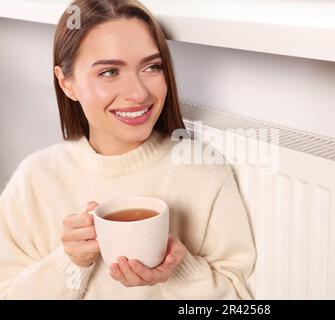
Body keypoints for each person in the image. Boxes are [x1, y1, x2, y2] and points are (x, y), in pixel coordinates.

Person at [0, 0, 255, 299]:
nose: (138, 93)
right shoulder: (35, 179)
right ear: (67, 83)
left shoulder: (205, 174)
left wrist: (179, 269)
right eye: (109, 72)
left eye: (152, 67)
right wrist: (69, 262)